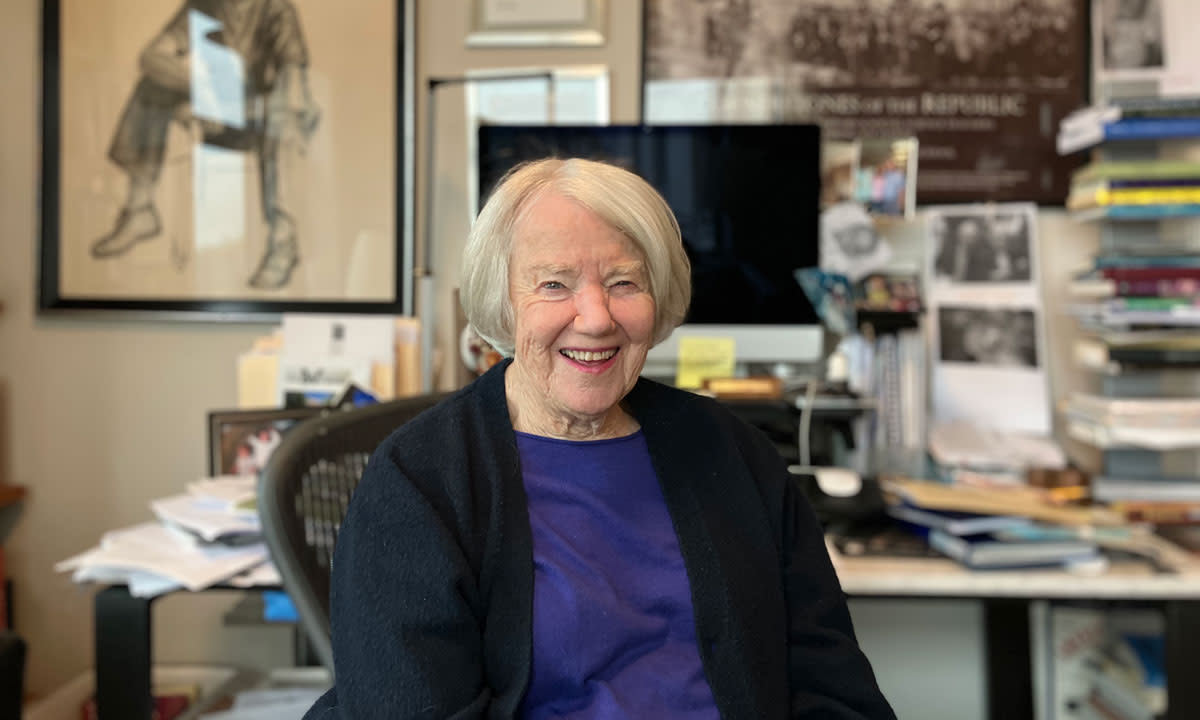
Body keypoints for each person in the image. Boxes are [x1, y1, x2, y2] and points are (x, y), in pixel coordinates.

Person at [306, 158, 894, 718]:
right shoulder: (420, 482)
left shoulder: (734, 453)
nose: (596, 317)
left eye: (623, 282)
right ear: (504, 302)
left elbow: (831, 684)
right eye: (555, 285)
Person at [91, 0, 320, 289]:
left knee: (286, 109)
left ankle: (283, 238)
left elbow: (294, 78)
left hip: (260, 115)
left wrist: (228, 103)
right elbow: (151, 57)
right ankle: (140, 210)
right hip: (216, 110)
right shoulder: (203, 6)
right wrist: (204, 95)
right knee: (151, 86)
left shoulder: (277, 9)